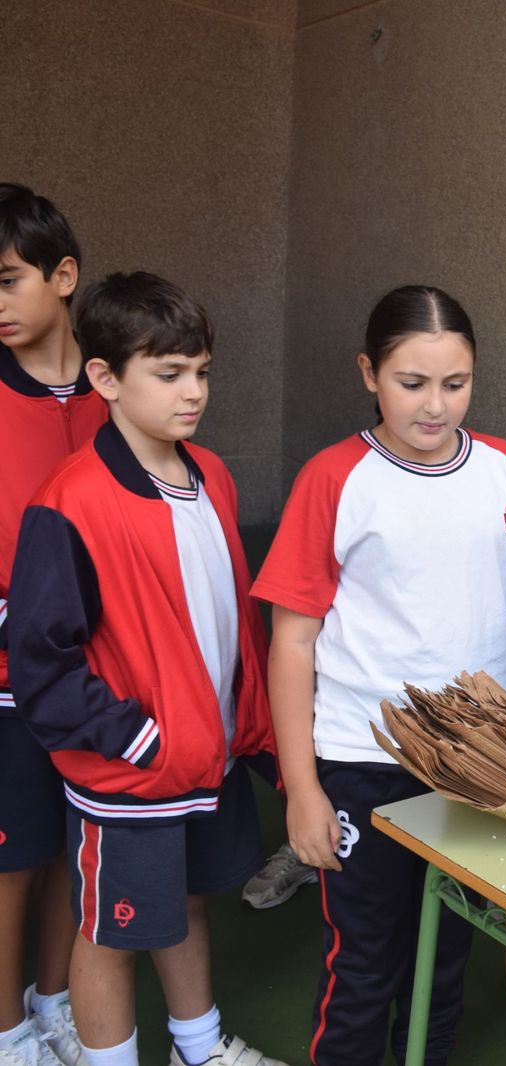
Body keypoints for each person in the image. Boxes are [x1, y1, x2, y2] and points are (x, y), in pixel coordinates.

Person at [251, 285, 506, 1065]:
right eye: (411, 383)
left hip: (472, 763)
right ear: (369, 373)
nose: (434, 406)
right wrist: (303, 790)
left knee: (445, 952)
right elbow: (292, 643)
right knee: (365, 964)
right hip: (364, 762)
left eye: (454, 384)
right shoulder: (333, 477)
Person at [7, 272, 284, 1066]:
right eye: (168, 374)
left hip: (208, 758)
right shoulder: (71, 502)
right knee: (111, 935)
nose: (192, 391)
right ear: (105, 379)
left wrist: (243, 731)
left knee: (186, 905)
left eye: (200, 370)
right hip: (132, 775)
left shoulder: (214, 475)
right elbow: (41, 665)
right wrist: (138, 739)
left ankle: (201, 1050)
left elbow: (227, 625)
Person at [0, 183, 100, 1066]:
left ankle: (56, 1002)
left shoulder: (118, 383)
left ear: (62, 275)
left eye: (6, 280)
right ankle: (6, 1036)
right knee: (10, 861)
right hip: (2, 678)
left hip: (100, 676)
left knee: (78, 850)